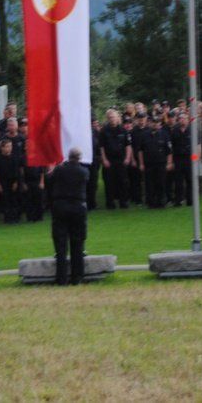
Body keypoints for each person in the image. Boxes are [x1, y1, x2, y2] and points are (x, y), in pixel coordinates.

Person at [48, 148, 89, 285]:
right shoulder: (83, 171)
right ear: (79, 158)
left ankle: (61, 278)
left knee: (60, 243)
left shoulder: (59, 170)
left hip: (60, 206)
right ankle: (77, 277)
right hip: (78, 206)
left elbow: (50, 180)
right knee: (77, 242)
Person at [98, 109, 132, 209]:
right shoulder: (104, 131)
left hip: (121, 159)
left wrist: (127, 158)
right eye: (110, 117)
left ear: (117, 118)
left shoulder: (123, 130)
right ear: (107, 119)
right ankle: (110, 203)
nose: (112, 119)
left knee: (123, 181)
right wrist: (104, 159)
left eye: (113, 117)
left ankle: (123, 202)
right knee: (109, 182)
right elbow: (101, 147)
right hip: (109, 160)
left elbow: (128, 145)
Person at [0, 137, 22, 223]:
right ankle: (7, 217)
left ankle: (15, 217)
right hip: (3, 181)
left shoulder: (15, 157)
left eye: (10, 146)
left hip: (14, 181)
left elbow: (17, 171)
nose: (9, 148)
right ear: (2, 148)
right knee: (5, 200)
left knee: (15, 199)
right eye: (7, 146)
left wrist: (16, 182)